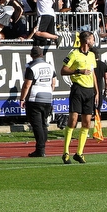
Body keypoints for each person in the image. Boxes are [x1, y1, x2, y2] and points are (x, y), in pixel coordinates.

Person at [60, 30, 99, 164]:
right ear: (86, 40)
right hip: (78, 89)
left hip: (89, 91)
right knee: (73, 120)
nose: (94, 41)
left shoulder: (93, 55)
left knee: (87, 122)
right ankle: (66, 152)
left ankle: (79, 153)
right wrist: (78, 70)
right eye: (92, 39)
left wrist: (97, 91)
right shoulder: (73, 54)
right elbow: (63, 70)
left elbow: (93, 73)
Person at [19, 45, 54, 157]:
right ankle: (42, 147)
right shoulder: (50, 66)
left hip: (35, 97)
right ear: (42, 55)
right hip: (48, 96)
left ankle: (40, 149)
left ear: (31, 55)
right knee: (44, 124)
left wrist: (22, 98)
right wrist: (49, 92)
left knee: (37, 125)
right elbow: (54, 83)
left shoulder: (31, 67)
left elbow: (27, 85)